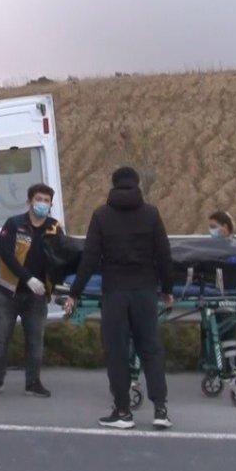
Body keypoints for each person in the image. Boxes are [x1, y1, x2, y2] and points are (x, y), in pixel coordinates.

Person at [64, 167, 174, 430]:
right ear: (137, 184)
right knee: (151, 348)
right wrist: (167, 288)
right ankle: (160, 410)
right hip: (145, 290)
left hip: (115, 292)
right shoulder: (151, 214)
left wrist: (75, 292)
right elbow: (163, 254)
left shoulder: (102, 215)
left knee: (117, 352)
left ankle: (123, 411)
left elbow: (89, 258)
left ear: (113, 185)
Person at [0, 183, 63, 398]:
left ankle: (33, 383)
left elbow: (60, 259)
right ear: (29, 202)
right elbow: (7, 255)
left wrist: (57, 287)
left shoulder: (54, 228)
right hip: (7, 292)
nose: (42, 204)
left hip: (37, 296)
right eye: (39, 199)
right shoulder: (14, 224)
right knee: (0, 341)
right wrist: (27, 278)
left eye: (47, 201)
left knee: (35, 341)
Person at [207, 210, 236, 378]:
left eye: (214, 227)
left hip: (230, 294)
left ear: (225, 227)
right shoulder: (214, 246)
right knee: (215, 329)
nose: (211, 231)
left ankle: (230, 365)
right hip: (217, 294)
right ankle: (221, 364)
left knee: (226, 328)